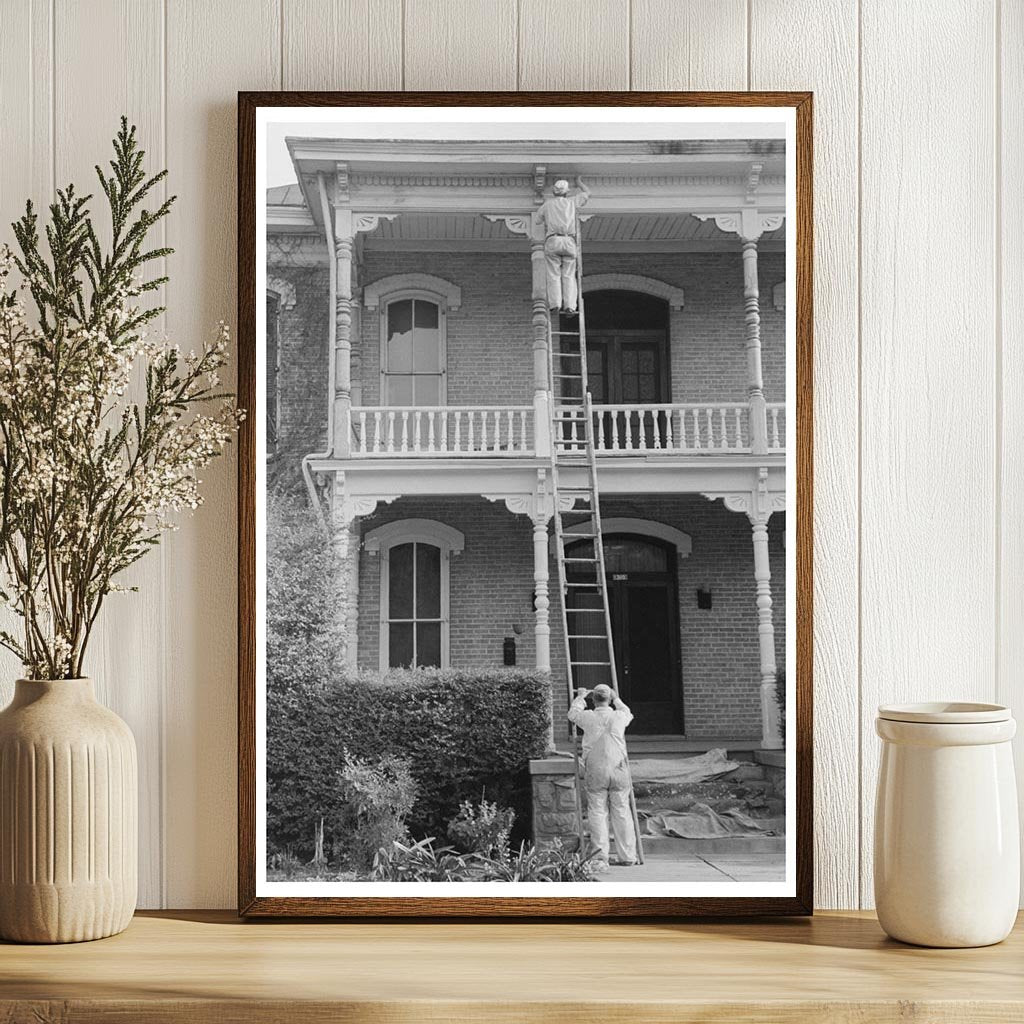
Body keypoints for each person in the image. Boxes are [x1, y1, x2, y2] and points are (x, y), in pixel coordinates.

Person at [568, 683, 638, 870]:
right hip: (619, 768)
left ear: (594, 700)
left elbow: (572, 714)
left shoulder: (588, 717)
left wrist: (581, 697)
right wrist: (616, 699)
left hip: (596, 768)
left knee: (598, 811)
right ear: (608, 699)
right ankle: (628, 855)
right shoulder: (618, 716)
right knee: (622, 811)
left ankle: (600, 857)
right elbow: (628, 711)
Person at [533, 176, 590, 313]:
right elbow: (588, 193)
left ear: (554, 192)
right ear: (567, 192)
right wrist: (579, 183)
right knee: (569, 274)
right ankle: (570, 305)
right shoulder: (572, 202)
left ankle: (555, 304)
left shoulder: (547, 204)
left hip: (553, 240)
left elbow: (537, 220)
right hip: (569, 240)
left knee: (553, 274)